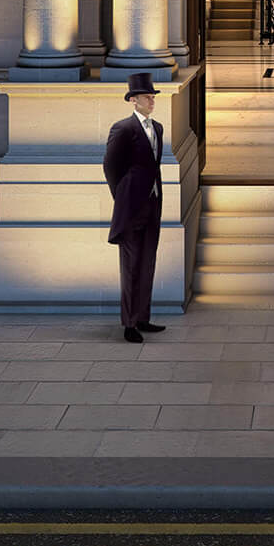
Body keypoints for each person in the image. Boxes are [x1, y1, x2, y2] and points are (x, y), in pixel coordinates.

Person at [103, 71, 167, 343]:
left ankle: (143, 317)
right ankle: (129, 323)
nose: (151, 101)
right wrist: (123, 195)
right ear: (133, 101)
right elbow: (111, 167)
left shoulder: (159, 128)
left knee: (147, 263)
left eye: (152, 97)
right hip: (131, 209)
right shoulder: (123, 128)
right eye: (146, 97)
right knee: (130, 266)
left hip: (152, 206)